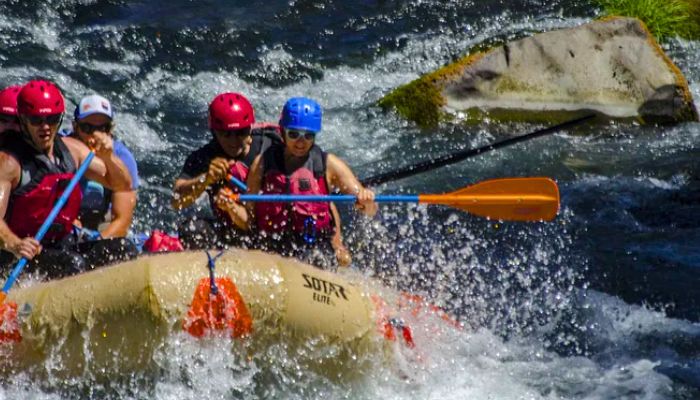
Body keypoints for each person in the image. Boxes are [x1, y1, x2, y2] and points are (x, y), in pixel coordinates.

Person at [0, 80, 134, 279]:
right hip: (19, 256)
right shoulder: (9, 162)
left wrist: (108, 156)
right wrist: (15, 243)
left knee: (122, 248)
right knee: (72, 265)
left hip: (61, 245)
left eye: (52, 119)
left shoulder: (72, 150)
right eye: (36, 120)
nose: (45, 127)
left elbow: (121, 184)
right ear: (23, 120)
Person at [245, 97, 377, 269]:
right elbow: (249, 212)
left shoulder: (328, 164)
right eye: (294, 134)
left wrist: (367, 201)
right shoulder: (262, 164)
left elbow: (370, 210)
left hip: (314, 248)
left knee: (329, 259)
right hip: (271, 246)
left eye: (308, 135)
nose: (301, 142)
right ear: (282, 131)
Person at [172, 92, 282, 249]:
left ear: (250, 129)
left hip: (272, 230)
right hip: (232, 232)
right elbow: (177, 201)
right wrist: (206, 179)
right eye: (226, 134)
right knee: (192, 230)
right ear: (214, 132)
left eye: (241, 132)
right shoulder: (205, 158)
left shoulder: (273, 146)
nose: (234, 140)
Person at [61, 94, 139, 239]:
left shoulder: (123, 158)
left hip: (100, 222)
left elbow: (122, 220)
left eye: (103, 128)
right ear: (75, 127)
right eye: (87, 128)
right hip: (64, 216)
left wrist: (95, 242)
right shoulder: (61, 146)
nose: (96, 135)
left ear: (111, 129)